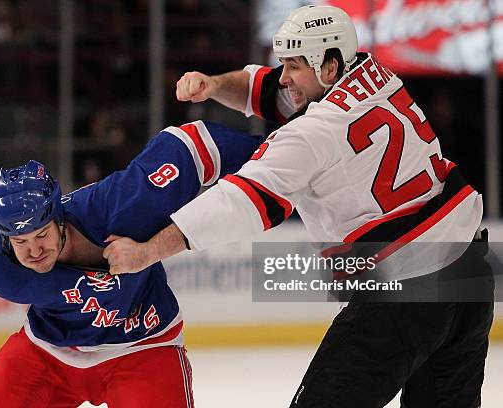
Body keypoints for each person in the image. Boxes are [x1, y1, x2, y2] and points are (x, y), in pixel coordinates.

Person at [103, 5, 494, 407]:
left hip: (404, 290)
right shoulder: (374, 75)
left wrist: (148, 251)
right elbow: (272, 90)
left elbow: (240, 202)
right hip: (469, 276)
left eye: (293, 65)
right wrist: (215, 85)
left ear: (328, 66)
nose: (285, 77)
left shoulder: (313, 132)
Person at [0, 120, 264, 407]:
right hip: (48, 352)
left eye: (41, 235)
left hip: (142, 347)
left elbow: (192, 145)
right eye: (20, 242)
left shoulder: (120, 205)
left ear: (59, 217)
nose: (33, 251)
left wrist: (277, 160)